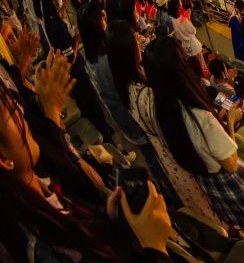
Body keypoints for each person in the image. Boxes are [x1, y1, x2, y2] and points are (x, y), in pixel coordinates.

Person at [138, 38, 244, 256]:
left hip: (210, 183)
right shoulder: (199, 117)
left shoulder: (161, 112)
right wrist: (231, 120)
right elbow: (230, 163)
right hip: (230, 177)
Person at [0, 82, 175, 262]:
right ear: (3, 159)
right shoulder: (38, 248)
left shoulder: (41, 189)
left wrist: (111, 221)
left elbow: (85, 239)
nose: (21, 109)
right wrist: (155, 248)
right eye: (12, 112)